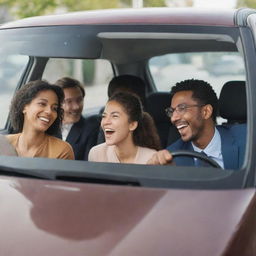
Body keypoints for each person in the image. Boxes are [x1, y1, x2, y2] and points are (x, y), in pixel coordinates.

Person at [147, 79, 246, 169]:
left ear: (206, 112)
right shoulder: (172, 156)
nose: (173, 118)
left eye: (182, 109)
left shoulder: (247, 139)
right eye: (172, 111)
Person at [6, 80, 74, 159]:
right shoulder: (4, 144)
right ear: (24, 107)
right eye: (42, 104)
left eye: (54, 108)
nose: (49, 111)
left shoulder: (62, 150)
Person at [89, 92, 161, 164]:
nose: (105, 122)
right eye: (104, 116)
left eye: (115, 116)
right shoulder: (96, 154)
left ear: (132, 125)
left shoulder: (152, 158)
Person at [55, 77, 99, 160]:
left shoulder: (90, 129)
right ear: (57, 104)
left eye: (79, 100)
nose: (76, 107)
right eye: (69, 101)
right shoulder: (47, 127)